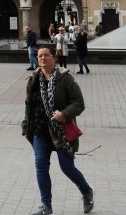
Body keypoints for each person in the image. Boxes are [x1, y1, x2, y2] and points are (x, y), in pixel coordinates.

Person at [22, 47, 94, 215]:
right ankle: (46, 205)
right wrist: (26, 127)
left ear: (54, 58)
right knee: (40, 166)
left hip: (61, 132)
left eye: (46, 55)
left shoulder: (65, 78)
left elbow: (79, 102)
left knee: (67, 167)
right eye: (39, 56)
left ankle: (86, 191)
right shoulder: (34, 79)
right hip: (40, 132)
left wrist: (64, 114)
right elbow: (28, 106)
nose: (42, 58)